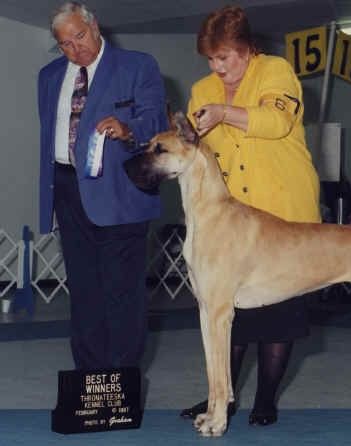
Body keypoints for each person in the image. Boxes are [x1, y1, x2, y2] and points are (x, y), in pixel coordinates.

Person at [180, 5, 321, 426]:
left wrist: (224, 113)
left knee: (280, 318)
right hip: (229, 220)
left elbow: (276, 121)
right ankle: (220, 399)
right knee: (227, 315)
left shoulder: (276, 71)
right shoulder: (202, 89)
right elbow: (193, 149)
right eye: (211, 59)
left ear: (246, 49)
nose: (217, 67)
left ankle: (265, 401)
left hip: (283, 210)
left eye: (224, 57)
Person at [38, 2, 167, 369]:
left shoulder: (137, 65)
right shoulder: (48, 76)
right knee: (83, 292)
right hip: (66, 190)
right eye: (65, 43)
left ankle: (121, 382)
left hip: (120, 192)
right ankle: (89, 380)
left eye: (79, 36)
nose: (74, 48)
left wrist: (129, 130)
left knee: (122, 294)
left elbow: (157, 121)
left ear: (95, 27)